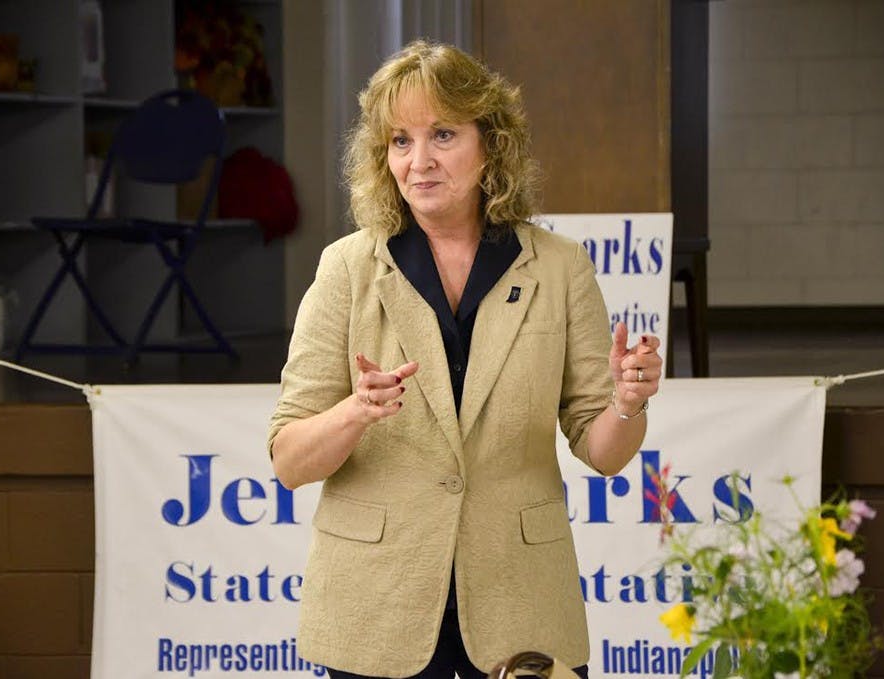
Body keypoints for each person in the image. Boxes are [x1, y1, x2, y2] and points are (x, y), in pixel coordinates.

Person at [268, 40, 662, 679]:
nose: (418, 161)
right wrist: (356, 412)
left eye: (443, 135)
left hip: (522, 603)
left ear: (491, 145)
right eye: (400, 141)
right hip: (376, 607)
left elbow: (606, 451)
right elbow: (288, 460)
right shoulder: (345, 268)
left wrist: (626, 403)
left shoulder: (561, 268)